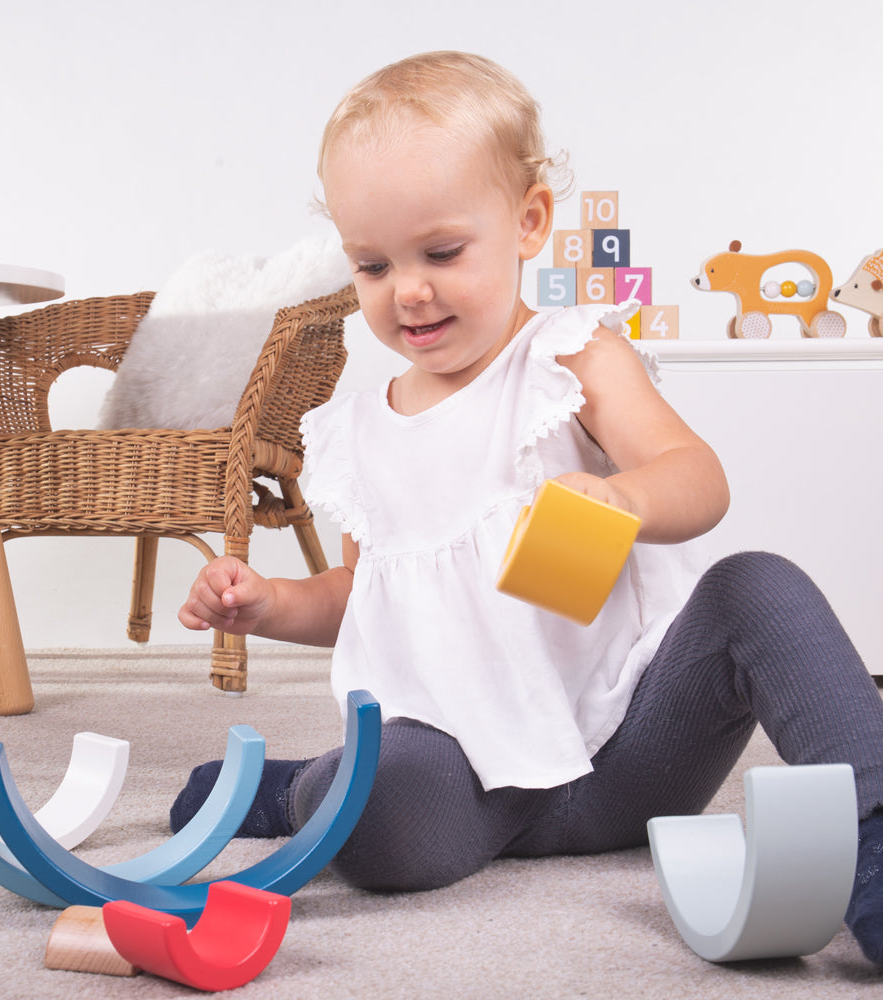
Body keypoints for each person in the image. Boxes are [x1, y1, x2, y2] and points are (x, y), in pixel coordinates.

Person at [173, 51, 883, 966]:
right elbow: (362, 593)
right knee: (369, 800)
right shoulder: (358, 431)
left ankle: (876, 831)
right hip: (462, 779)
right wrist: (267, 604)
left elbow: (697, 476)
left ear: (528, 223)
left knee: (760, 588)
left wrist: (623, 496)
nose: (409, 290)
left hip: (632, 748)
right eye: (373, 265)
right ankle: (296, 791)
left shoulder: (570, 356)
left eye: (441, 252)